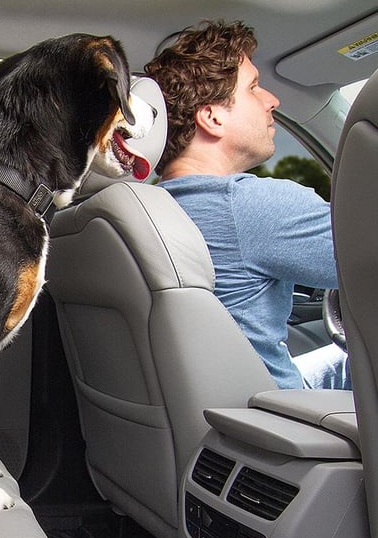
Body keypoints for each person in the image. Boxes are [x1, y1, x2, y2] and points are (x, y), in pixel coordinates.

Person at [144, 20, 349, 390]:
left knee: (341, 362)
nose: (272, 100)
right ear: (212, 116)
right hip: (278, 423)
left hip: (207, 420)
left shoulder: (147, 211)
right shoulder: (250, 206)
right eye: (254, 87)